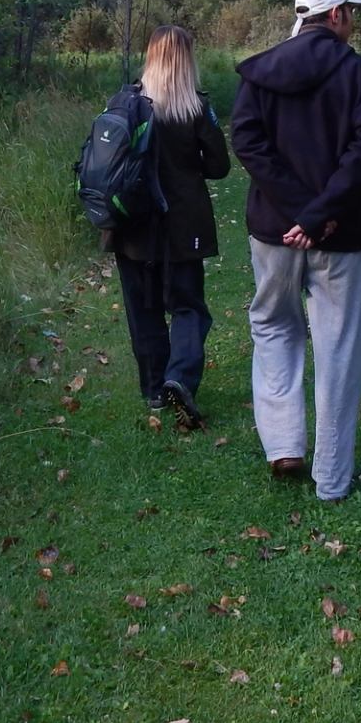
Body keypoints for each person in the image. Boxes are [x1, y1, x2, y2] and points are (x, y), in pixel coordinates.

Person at [230, 0, 361, 501]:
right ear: (337, 15)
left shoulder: (261, 73)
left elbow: (248, 143)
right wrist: (319, 212)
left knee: (274, 325)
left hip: (275, 230)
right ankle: (332, 477)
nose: (353, 21)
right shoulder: (360, 74)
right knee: (337, 344)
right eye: (352, 11)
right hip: (338, 233)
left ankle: (283, 445)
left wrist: (300, 211)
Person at [111, 25, 230, 429]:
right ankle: (179, 377)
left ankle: (153, 390)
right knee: (188, 307)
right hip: (182, 225)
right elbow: (219, 166)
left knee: (142, 309)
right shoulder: (196, 108)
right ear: (187, 59)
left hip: (131, 226)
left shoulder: (125, 101)